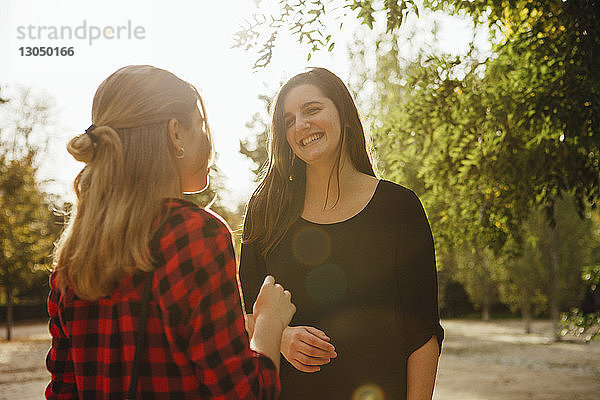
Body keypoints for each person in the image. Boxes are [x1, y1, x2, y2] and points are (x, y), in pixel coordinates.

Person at [45, 65, 295, 399]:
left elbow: (63, 391)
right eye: (202, 126)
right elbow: (244, 394)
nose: (209, 140)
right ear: (176, 133)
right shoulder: (196, 236)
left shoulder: (74, 254)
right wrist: (269, 322)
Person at [240, 67, 444, 400]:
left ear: (345, 116)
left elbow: (422, 333)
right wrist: (281, 336)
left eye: (311, 110)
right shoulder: (266, 209)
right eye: (288, 120)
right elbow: (243, 314)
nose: (300, 125)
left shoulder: (399, 208)